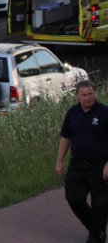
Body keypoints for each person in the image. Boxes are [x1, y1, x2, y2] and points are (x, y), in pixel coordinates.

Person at [57, 79, 108, 243]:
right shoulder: (72, 112)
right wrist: (59, 160)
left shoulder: (104, 112)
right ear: (77, 95)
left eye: (91, 94)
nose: (88, 98)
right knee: (73, 198)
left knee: (100, 204)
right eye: (84, 95)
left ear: (95, 93)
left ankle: (96, 237)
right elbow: (66, 137)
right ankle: (96, 230)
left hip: (100, 164)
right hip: (77, 164)